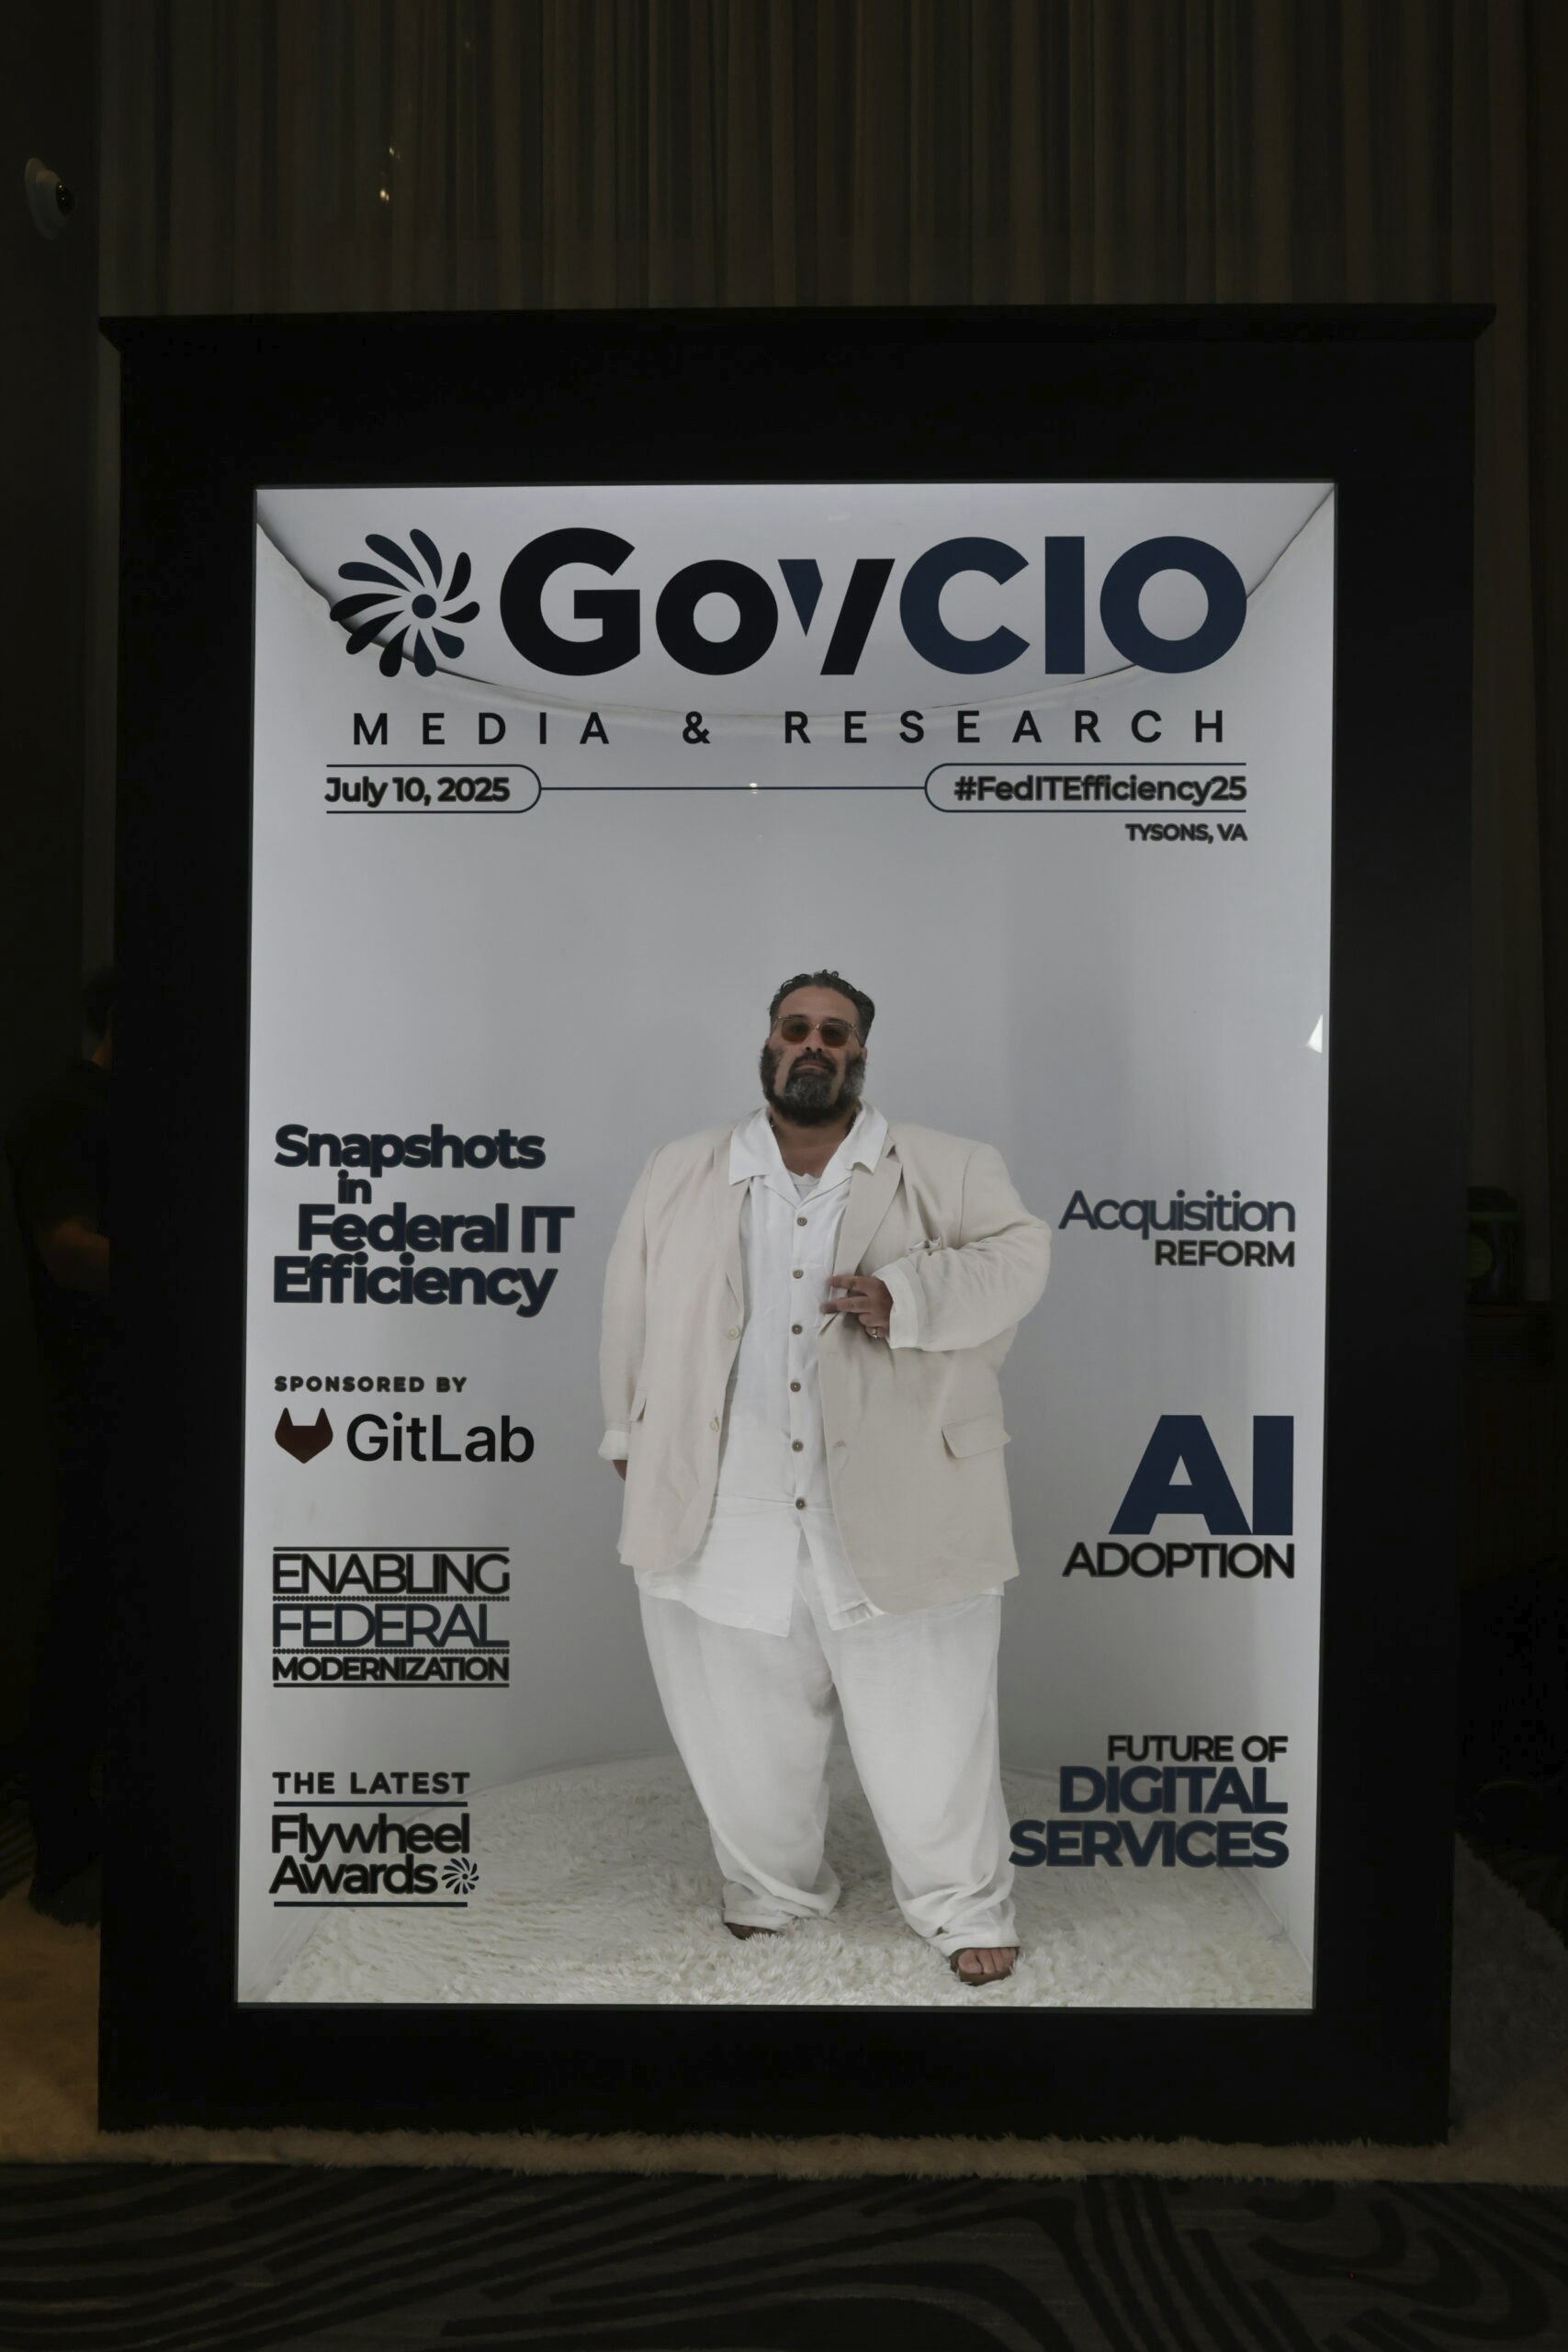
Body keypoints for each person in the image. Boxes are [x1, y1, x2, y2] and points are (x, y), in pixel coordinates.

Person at [600, 969, 1050, 1985]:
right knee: (737, 1722)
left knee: (931, 1725)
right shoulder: (679, 1167)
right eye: (795, 1027)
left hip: (908, 1496)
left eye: (835, 1034)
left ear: (859, 1056)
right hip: (726, 1500)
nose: (814, 1045)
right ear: (768, 1043)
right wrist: (627, 1434)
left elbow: (1021, 1259)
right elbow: (629, 1302)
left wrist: (909, 1296)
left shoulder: (947, 1163)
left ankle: (962, 1905)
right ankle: (770, 1887)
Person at [6, 966, 114, 1924]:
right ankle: (66, 1857)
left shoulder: (131, 1117)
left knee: (119, 1622)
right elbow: (70, 1248)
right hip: (94, 1403)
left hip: (142, 1403)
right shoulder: (65, 1113)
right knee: (86, 1620)